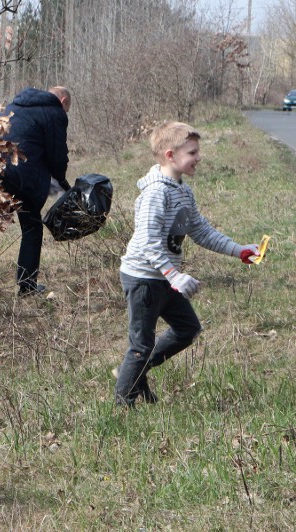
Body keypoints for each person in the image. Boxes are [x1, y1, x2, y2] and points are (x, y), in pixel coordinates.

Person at [114, 122, 259, 407]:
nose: (198, 157)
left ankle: (131, 375)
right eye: (192, 152)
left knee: (187, 329)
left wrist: (239, 250)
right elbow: (148, 241)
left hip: (166, 278)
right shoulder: (156, 193)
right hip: (143, 278)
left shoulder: (182, 190)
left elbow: (201, 231)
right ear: (170, 155)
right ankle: (123, 405)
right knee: (141, 346)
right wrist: (174, 275)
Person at [0, 86, 72, 297]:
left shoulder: (14, 105)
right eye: (66, 109)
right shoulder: (54, 112)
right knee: (32, 228)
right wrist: (64, 183)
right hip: (21, 177)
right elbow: (57, 157)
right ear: (62, 101)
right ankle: (27, 286)